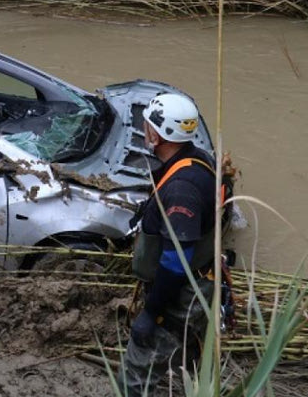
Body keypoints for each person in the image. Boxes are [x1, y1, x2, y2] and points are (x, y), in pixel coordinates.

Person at [119, 93, 220, 396]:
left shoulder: (181, 189)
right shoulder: (199, 158)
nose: (144, 129)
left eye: (147, 125)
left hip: (180, 295)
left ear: (158, 134)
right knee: (186, 353)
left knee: (137, 372)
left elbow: (175, 263)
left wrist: (151, 314)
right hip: (200, 279)